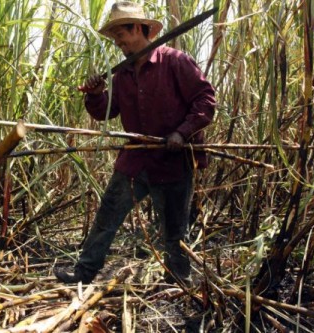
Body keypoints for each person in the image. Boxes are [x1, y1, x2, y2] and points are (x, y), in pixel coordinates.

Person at [54, 1, 215, 285]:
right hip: (135, 161)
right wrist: (95, 95)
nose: (118, 41)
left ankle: (178, 283)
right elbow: (107, 112)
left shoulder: (175, 61)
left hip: (173, 161)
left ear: (140, 29)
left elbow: (206, 101)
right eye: (115, 35)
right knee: (107, 216)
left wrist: (181, 132)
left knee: (175, 230)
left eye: (121, 34)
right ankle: (83, 273)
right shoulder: (122, 74)